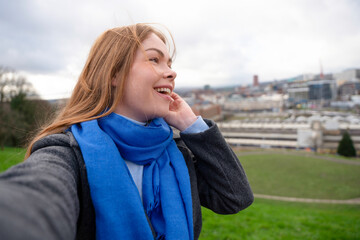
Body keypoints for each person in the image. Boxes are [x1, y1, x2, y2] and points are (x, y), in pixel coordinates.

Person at [0, 23, 253, 240]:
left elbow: (234, 197)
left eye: (169, 63)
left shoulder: (178, 153)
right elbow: (31, 201)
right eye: (154, 59)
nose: (172, 72)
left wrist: (192, 125)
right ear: (114, 74)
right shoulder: (68, 153)